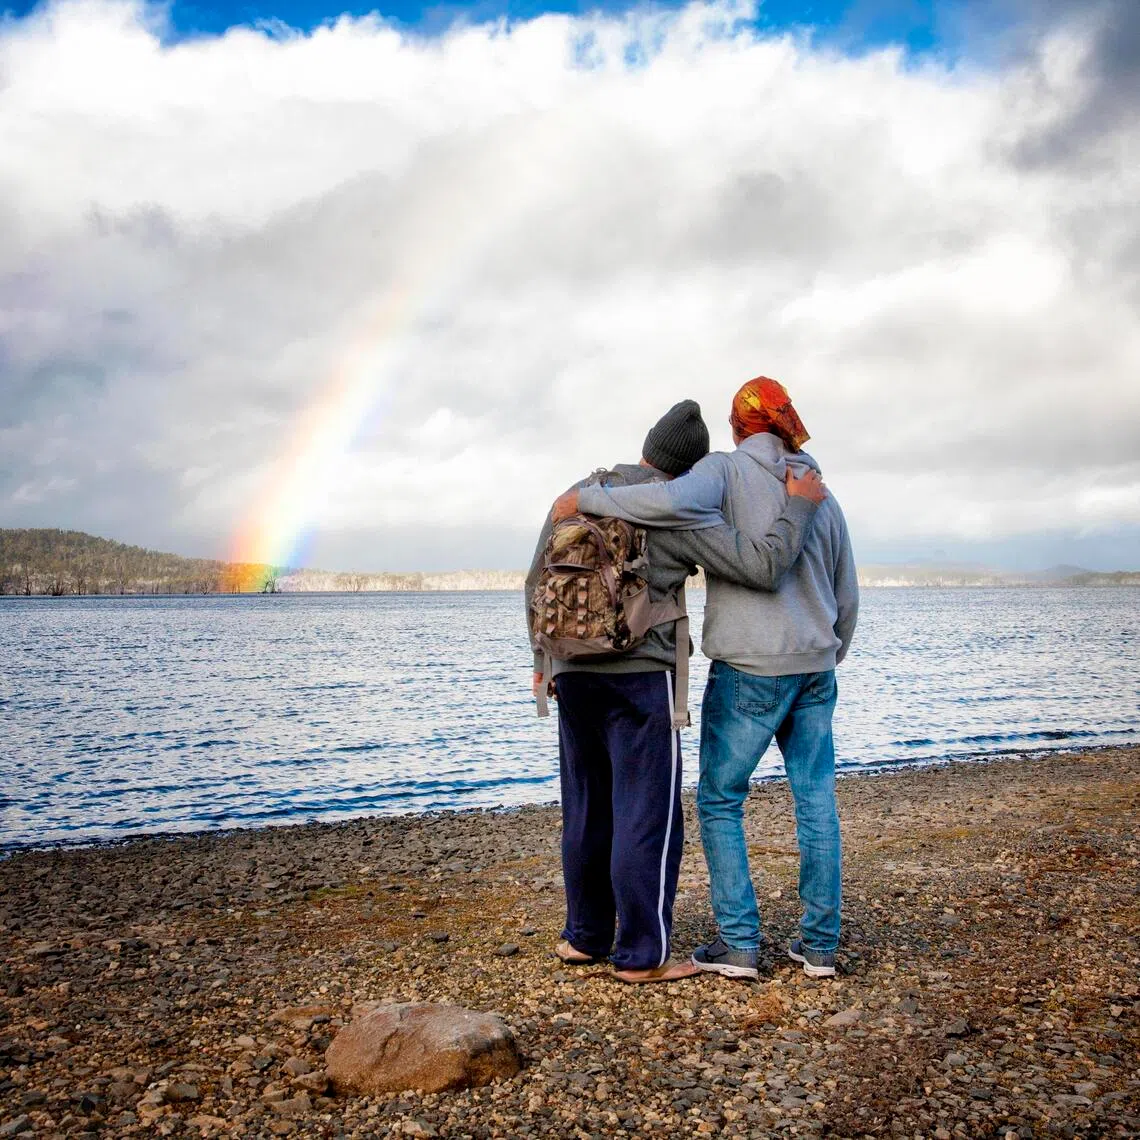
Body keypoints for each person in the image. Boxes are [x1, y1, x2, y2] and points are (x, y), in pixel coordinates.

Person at [556, 377, 857, 980]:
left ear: (740, 425)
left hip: (739, 667)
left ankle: (738, 945)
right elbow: (845, 592)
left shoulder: (714, 475)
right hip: (812, 666)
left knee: (717, 801)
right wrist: (828, 652)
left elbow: (662, 509)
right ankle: (820, 947)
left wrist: (589, 500)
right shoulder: (822, 493)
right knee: (816, 800)